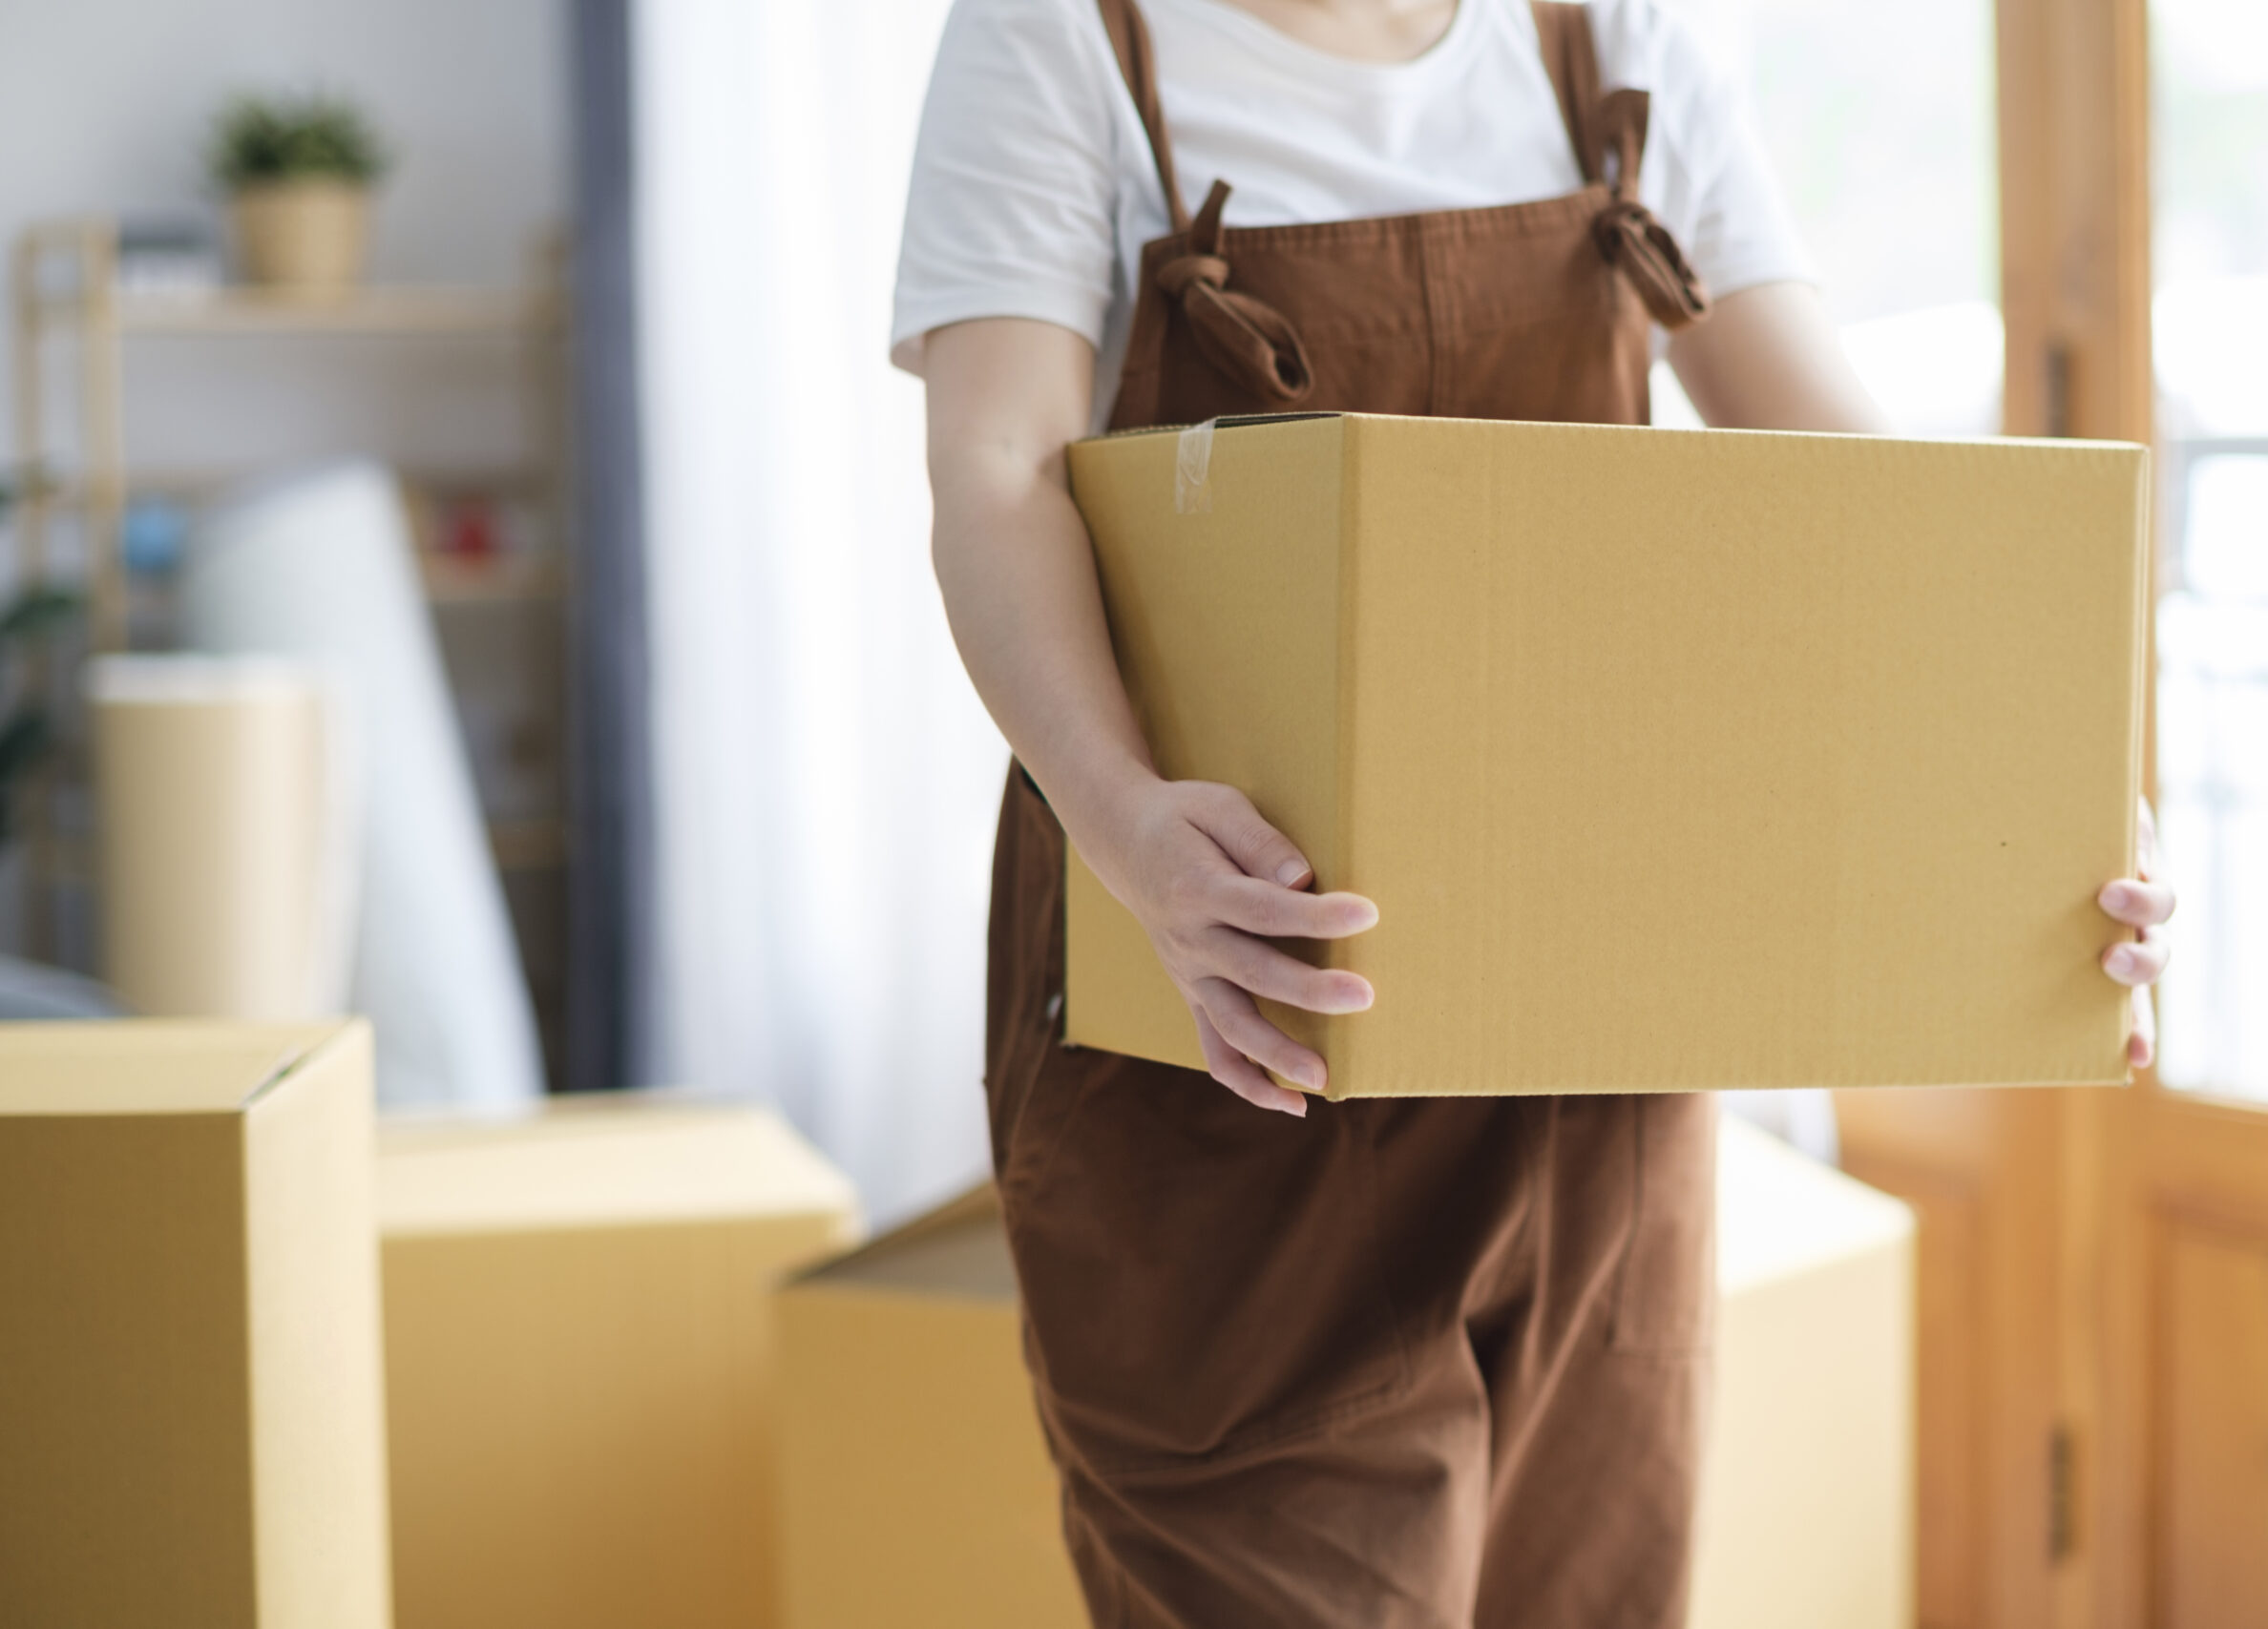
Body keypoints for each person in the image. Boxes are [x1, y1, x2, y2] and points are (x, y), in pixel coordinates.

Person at [893, 0, 2176, 1622]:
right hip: (1232, 1038)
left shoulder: (1612, 32)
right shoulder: (1069, 36)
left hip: (1590, 1069)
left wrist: (2047, 796)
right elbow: (994, 472)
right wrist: (1123, 815)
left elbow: (1854, 492)